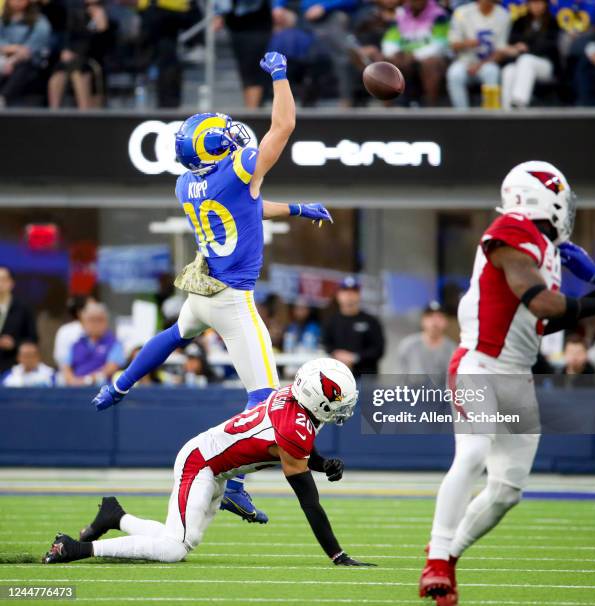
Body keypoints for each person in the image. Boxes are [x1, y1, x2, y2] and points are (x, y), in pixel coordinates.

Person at [92, 52, 333, 525]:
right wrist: (280, 76)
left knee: (175, 333)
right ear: (220, 147)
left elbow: (250, 206)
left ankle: (120, 384)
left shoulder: (186, 185)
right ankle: (236, 483)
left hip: (202, 290)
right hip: (231, 298)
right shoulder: (237, 169)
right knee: (266, 404)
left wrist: (299, 208)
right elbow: (282, 127)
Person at [419, 161, 595, 605]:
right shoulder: (511, 227)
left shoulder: (545, 244)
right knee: (472, 454)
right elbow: (540, 301)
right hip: (481, 365)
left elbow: (570, 268)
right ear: (545, 195)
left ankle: (445, 555)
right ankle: (438, 564)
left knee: (506, 491)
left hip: (516, 378)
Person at [43, 359, 375, 569]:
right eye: (338, 402)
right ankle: (76, 548)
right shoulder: (293, 426)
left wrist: (322, 462)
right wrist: (337, 554)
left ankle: (115, 516)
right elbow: (309, 501)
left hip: (216, 466)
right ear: (317, 398)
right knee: (174, 549)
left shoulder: (296, 401)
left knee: (182, 541)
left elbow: (296, 446)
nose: (342, 408)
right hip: (201, 463)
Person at [272, 0, 358, 106]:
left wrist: (324, 6)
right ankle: (286, 99)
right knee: (285, 42)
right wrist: (278, 7)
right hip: (302, 18)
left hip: (332, 16)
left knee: (341, 50)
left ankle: (346, 99)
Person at [47, 0, 113, 109]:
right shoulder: (75, 11)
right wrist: (66, 49)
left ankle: (84, 113)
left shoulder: (108, 13)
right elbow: (68, 35)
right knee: (58, 72)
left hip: (93, 58)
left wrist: (103, 28)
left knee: (78, 72)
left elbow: (106, 46)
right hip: (73, 54)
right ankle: (53, 113)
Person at [382, 0, 449, 106]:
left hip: (432, 57)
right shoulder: (400, 14)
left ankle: (430, 108)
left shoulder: (439, 14)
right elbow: (390, 41)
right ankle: (387, 111)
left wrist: (414, 55)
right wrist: (396, 53)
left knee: (430, 63)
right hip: (405, 56)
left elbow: (439, 44)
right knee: (386, 62)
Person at [446, 0, 511, 108]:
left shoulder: (504, 15)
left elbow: (501, 51)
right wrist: (467, 43)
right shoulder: (461, 12)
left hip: (488, 62)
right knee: (454, 74)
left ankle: (491, 116)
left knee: (491, 72)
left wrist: (480, 65)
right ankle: (461, 117)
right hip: (464, 61)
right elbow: (453, 45)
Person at [500, 0, 559, 109]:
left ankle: (519, 101)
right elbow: (512, 42)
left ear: (545, 4)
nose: (536, 6)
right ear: (528, 4)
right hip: (521, 63)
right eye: (533, 2)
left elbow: (549, 47)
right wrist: (517, 47)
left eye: (539, 3)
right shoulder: (520, 21)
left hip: (545, 64)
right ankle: (507, 110)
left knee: (526, 59)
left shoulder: (552, 22)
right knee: (508, 70)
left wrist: (527, 47)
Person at [322, 276, 385, 377]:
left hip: (365, 377)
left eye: (353, 291)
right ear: (338, 295)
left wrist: (355, 357)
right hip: (337, 376)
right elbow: (325, 344)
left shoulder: (371, 321)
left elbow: (379, 349)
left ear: (359, 295)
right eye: (345, 291)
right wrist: (337, 355)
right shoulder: (331, 321)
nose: (349, 295)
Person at [214, 0, 272, 108]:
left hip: (256, 25)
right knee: (247, 71)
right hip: (236, 24)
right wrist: (217, 12)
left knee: (253, 71)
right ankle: (251, 112)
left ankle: (252, 115)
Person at [0, 0, 51, 107]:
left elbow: (30, 49)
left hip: (29, 62)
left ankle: (3, 98)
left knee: (24, 65)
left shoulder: (39, 21)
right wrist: (13, 48)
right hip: (3, 59)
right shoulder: (3, 20)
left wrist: (11, 61)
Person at [61, 302, 124, 386]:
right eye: (91, 320)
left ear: (106, 322)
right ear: (83, 323)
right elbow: (66, 369)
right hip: (75, 391)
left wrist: (88, 380)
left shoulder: (114, 343)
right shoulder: (75, 345)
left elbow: (111, 369)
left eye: (100, 320)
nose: (96, 324)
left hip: (103, 392)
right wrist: (72, 381)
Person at [397, 301, 456, 375]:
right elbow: (400, 378)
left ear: (446, 321)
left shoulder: (453, 349)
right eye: (430, 316)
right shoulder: (408, 346)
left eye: (440, 316)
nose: (435, 321)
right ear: (422, 320)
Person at [0, 266, 38, 374]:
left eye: (3, 279)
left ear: (11, 283)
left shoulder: (23, 307)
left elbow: (33, 338)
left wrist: (14, 343)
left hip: (15, 368)